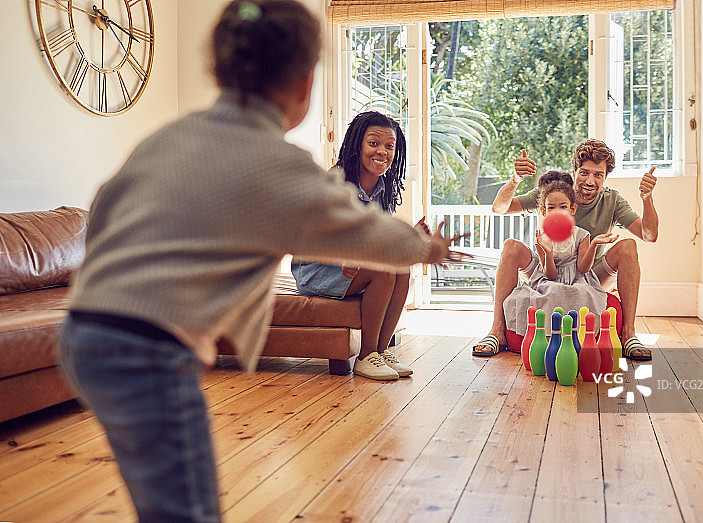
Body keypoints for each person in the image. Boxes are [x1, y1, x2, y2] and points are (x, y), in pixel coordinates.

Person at [57, 1, 462, 521]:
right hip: (145, 348)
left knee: (164, 487)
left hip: (84, 332)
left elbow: (105, 210)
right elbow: (359, 229)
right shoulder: (277, 162)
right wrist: (427, 248)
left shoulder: (169, 137)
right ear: (303, 85)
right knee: (187, 507)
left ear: (220, 68)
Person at [472, 139, 658, 360]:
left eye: (598, 174)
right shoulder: (554, 193)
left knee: (629, 247)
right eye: (584, 173)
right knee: (510, 247)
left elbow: (650, 235)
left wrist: (647, 199)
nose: (590, 181)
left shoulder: (612, 201)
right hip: (545, 267)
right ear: (574, 171)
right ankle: (496, 332)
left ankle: (629, 335)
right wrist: (515, 180)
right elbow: (500, 208)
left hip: (588, 271)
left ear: (605, 177)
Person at [292, 111, 427, 381]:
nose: (382, 152)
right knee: (383, 270)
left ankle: (380, 351)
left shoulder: (384, 186)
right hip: (318, 268)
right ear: (358, 146)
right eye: (373, 143)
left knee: (401, 268)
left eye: (390, 146)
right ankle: (366, 356)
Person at [503, 171, 616, 338]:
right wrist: (547, 252)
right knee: (552, 290)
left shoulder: (582, 234)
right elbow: (550, 275)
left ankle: (577, 335)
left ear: (572, 209)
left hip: (577, 278)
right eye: (551, 207)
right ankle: (549, 336)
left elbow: (583, 269)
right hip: (549, 278)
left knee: (581, 292)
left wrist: (593, 244)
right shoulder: (543, 237)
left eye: (563, 207)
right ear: (543, 210)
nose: (557, 212)